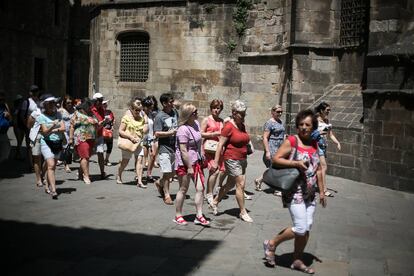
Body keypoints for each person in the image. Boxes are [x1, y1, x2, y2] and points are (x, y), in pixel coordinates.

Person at [263, 109, 326, 273]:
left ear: (313, 127)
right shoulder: (292, 140)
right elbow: (276, 159)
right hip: (295, 192)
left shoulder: (314, 144)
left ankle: (297, 260)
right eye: (301, 124)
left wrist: (322, 191)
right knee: (300, 227)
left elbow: (318, 169)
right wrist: (296, 163)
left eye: (308, 125)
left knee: (307, 227)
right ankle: (272, 244)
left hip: (310, 193)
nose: (304, 127)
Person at [209, 100, 253, 223]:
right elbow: (220, 145)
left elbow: (244, 139)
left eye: (244, 113)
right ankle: (242, 212)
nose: (243, 116)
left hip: (242, 158)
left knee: (230, 185)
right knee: (241, 184)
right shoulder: (228, 126)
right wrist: (216, 162)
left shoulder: (242, 125)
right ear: (234, 113)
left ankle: (215, 201)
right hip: (231, 158)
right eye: (241, 113)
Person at [173, 103, 209, 226]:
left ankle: (199, 215)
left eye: (196, 111)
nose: (197, 113)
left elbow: (199, 141)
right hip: (184, 163)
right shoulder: (182, 130)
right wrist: (188, 167)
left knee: (200, 188)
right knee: (183, 189)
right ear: (187, 115)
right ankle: (178, 215)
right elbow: (183, 150)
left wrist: (202, 153)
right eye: (194, 112)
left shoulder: (196, 124)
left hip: (196, 161)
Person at [254, 105, 286, 196]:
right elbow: (265, 137)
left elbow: (283, 134)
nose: (280, 113)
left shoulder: (281, 122)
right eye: (278, 112)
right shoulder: (269, 123)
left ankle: (259, 180)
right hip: (272, 146)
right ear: (273, 112)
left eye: (281, 112)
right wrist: (267, 151)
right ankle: (277, 189)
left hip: (280, 146)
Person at [38, 96, 65, 199]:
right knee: (51, 164)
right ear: (45, 105)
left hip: (57, 142)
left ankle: (47, 186)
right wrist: (53, 126)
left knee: (52, 167)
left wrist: (54, 130)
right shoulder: (42, 116)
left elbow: (63, 128)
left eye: (53, 103)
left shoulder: (58, 114)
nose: (52, 105)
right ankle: (54, 190)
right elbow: (44, 132)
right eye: (50, 103)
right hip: (46, 142)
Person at [153, 93, 178, 205]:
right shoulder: (159, 116)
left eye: (172, 101)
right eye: (170, 102)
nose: (172, 103)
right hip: (164, 148)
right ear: (164, 103)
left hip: (175, 147)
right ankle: (167, 195)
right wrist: (169, 133)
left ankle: (160, 182)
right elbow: (156, 133)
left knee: (172, 173)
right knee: (167, 173)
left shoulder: (174, 113)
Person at [201, 99, 226, 206]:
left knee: (219, 171)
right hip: (208, 148)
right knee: (214, 171)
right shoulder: (206, 120)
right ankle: (209, 194)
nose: (216, 110)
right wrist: (213, 134)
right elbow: (200, 134)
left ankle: (210, 192)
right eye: (214, 108)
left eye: (218, 108)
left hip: (218, 149)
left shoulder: (222, 121)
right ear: (211, 108)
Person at [116, 98, 147, 186]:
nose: (138, 112)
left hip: (138, 143)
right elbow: (120, 131)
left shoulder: (141, 119)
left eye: (139, 110)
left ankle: (139, 181)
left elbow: (143, 130)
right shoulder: (126, 118)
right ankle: (119, 175)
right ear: (132, 109)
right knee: (125, 162)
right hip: (128, 142)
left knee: (140, 160)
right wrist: (130, 137)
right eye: (136, 110)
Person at [314, 102, 341, 197]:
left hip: (324, 146)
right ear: (321, 110)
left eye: (329, 110)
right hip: (316, 145)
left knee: (316, 168)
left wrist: (337, 142)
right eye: (327, 110)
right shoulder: (315, 121)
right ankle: (324, 189)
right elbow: (311, 133)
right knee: (323, 167)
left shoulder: (327, 121)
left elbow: (331, 134)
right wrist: (321, 131)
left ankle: (306, 184)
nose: (329, 112)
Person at [69, 100, 98, 185]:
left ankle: (80, 173)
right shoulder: (77, 114)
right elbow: (72, 126)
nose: (91, 108)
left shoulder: (92, 114)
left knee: (86, 157)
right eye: (89, 106)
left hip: (91, 138)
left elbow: (96, 125)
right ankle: (86, 176)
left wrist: (96, 136)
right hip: (81, 138)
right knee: (85, 156)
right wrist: (70, 138)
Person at [15, 85, 40, 165]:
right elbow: (22, 115)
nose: (35, 93)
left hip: (39, 127)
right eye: (33, 91)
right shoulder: (27, 102)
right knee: (30, 145)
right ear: (30, 93)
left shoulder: (39, 101)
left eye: (36, 91)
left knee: (38, 144)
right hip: (30, 127)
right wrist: (27, 126)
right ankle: (31, 164)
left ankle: (35, 162)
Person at [90, 92, 108, 179]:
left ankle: (102, 172)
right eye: (100, 100)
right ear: (95, 101)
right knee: (87, 155)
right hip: (91, 136)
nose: (101, 102)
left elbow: (101, 123)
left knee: (100, 153)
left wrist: (104, 122)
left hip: (99, 135)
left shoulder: (101, 109)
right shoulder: (91, 110)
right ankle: (81, 172)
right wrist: (102, 123)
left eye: (102, 100)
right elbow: (93, 124)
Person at [59, 95, 75, 173]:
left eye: (71, 103)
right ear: (64, 103)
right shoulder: (61, 111)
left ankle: (63, 160)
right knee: (66, 147)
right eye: (68, 103)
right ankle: (66, 165)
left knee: (71, 148)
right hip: (64, 131)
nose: (69, 104)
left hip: (72, 131)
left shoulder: (74, 110)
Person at [102, 100, 115, 166]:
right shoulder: (99, 112)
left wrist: (112, 126)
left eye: (106, 104)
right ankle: (101, 160)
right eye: (104, 104)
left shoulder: (109, 112)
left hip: (109, 131)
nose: (105, 105)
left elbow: (113, 120)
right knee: (100, 147)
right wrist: (104, 121)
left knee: (110, 146)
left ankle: (106, 159)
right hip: (101, 131)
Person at [0, 92, 12, 163]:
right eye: (0, 99)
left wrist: (8, 115)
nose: (1, 101)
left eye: (3, 99)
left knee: (6, 152)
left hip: (3, 133)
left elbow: (11, 120)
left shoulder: (4, 106)